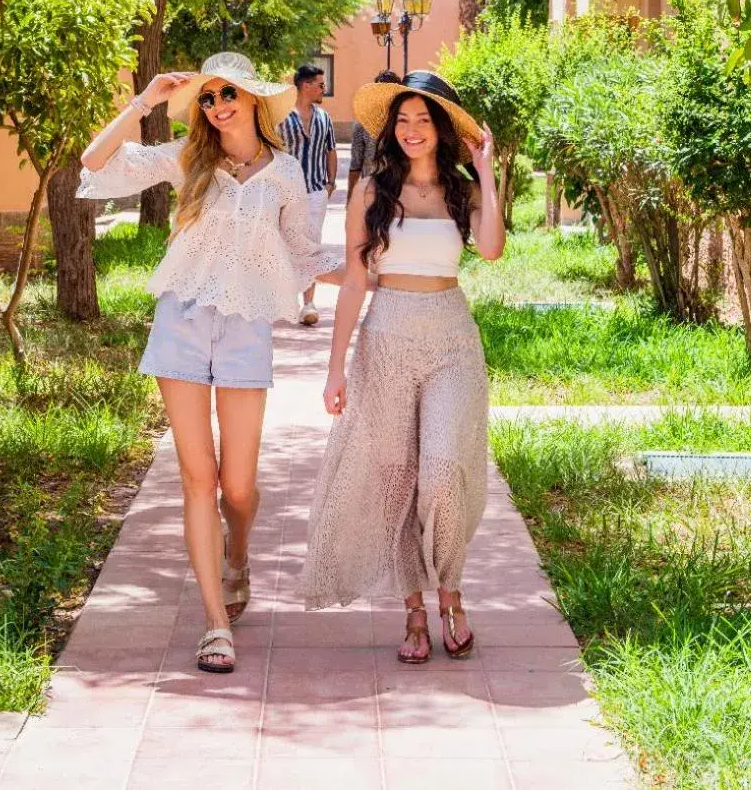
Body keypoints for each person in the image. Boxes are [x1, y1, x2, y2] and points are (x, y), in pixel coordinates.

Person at [78, 52, 339, 675]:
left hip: (246, 330)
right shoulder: (188, 159)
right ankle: (216, 625)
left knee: (237, 487)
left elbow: (305, 257)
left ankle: (238, 551)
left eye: (228, 94)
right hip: (182, 326)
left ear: (253, 99)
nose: (218, 106)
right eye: (207, 98)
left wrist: (386, 277)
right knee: (198, 478)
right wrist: (144, 100)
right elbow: (95, 162)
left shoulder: (285, 177)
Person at [301, 70, 505, 665]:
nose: (412, 130)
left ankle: (452, 592)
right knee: (396, 481)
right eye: (403, 119)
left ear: (441, 129)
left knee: (442, 475)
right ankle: (414, 610)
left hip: (450, 339)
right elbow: (357, 280)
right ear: (392, 129)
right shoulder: (371, 190)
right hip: (386, 338)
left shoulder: (462, 191)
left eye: (423, 119)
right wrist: (335, 370)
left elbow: (490, 249)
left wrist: (487, 172)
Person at [278, 63, 337, 327]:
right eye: (321, 85)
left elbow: (331, 150)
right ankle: (281, 300)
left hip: (315, 192)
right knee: (283, 245)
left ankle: (309, 304)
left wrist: (330, 183)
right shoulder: (281, 117)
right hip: (284, 195)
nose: (324, 89)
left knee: (311, 247)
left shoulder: (324, 117)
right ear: (306, 86)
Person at [347, 69, 403, 201]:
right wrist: (351, 199)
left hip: (400, 194)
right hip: (372, 193)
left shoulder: (405, 122)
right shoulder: (362, 124)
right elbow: (355, 165)